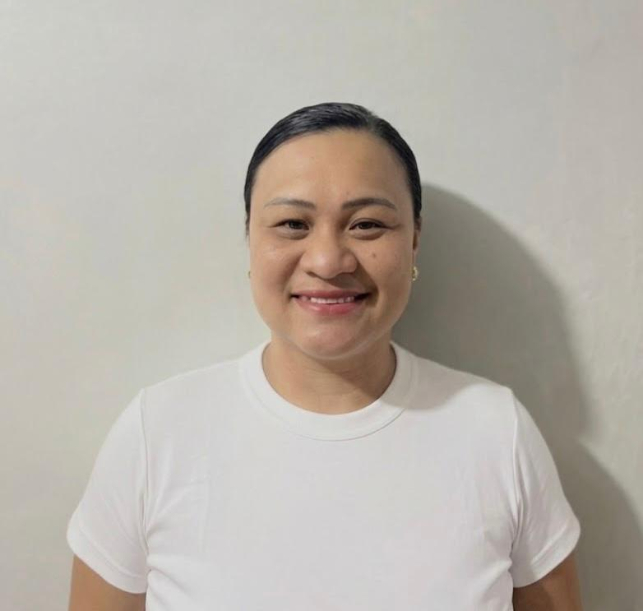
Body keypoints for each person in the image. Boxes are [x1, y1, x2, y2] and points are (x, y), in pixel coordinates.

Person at [67, 102, 584, 610]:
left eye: (367, 225)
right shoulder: (158, 432)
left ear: (414, 242)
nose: (327, 261)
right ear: (249, 239)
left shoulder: (495, 431)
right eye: (293, 224)